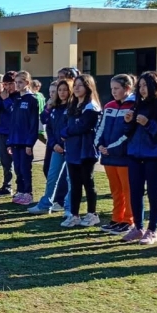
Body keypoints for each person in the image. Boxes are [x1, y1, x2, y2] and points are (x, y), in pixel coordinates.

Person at [121, 71, 157, 244]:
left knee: (154, 192)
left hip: (153, 156)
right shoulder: (137, 105)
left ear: (155, 86)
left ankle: (152, 230)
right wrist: (128, 122)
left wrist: (148, 124)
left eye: (145, 85)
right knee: (135, 192)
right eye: (140, 86)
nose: (142, 89)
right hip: (134, 155)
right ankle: (138, 228)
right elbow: (128, 133)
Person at [96, 74, 136, 236]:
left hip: (123, 156)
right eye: (112, 88)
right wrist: (99, 144)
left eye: (117, 88)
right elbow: (101, 128)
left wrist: (111, 148)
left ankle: (128, 220)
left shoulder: (134, 106)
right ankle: (116, 218)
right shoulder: (109, 106)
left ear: (127, 88)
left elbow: (129, 132)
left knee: (127, 190)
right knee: (115, 190)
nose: (113, 91)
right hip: (108, 156)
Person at [60, 74, 102, 228]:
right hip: (72, 150)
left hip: (86, 151)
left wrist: (67, 131)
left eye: (80, 85)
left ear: (88, 87)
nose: (76, 88)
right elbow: (65, 124)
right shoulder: (73, 105)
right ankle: (74, 215)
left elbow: (83, 126)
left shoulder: (91, 107)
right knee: (75, 184)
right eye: (75, 85)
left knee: (87, 182)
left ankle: (92, 214)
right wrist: (66, 131)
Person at [29, 79, 71, 214]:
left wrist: (63, 144)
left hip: (70, 149)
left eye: (65, 90)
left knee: (70, 179)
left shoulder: (73, 107)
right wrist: (54, 144)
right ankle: (45, 205)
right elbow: (48, 125)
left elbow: (72, 128)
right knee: (52, 177)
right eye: (59, 90)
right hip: (56, 148)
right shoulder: (55, 107)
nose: (61, 93)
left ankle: (69, 208)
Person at [7, 71, 40, 205]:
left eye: (20, 82)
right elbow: (13, 123)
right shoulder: (16, 100)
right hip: (15, 141)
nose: (17, 85)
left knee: (25, 168)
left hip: (25, 142)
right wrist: (9, 142)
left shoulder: (32, 100)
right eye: (16, 82)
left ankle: (28, 193)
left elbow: (33, 124)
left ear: (27, 82)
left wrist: (29, 143)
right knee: (17, 168)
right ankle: (20, 190)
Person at [0, 72, 18, 197]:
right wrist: (0, 98)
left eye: (10, 84)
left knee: (17, 162)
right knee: (5, 161)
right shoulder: (3, 96)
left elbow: (14, 113)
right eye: (5, 84)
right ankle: (7, 185)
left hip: (14, 134)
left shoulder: (18, 97)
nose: (8, 87)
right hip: (2, 132)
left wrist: (6, 100)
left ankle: (21, 188)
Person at [31, 79, 47, 148]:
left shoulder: (39, 95)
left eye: (39, 86)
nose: (38, 88)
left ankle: (49, 144)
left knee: (40, 134)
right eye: (36, 86)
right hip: (36, 116)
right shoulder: (34, 95)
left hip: (40, 116)